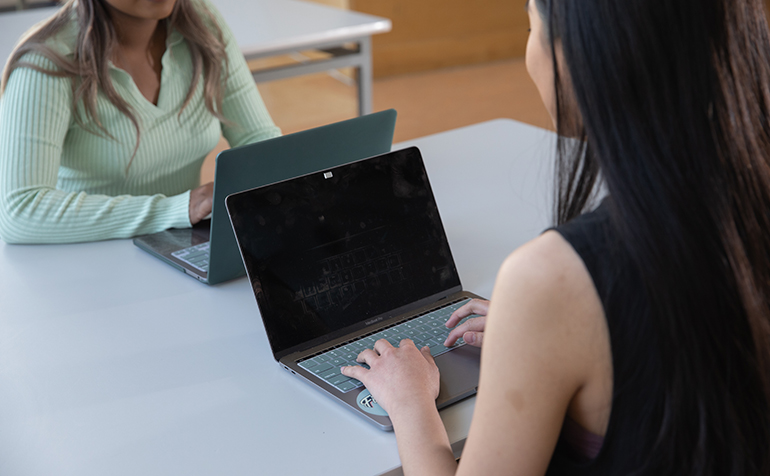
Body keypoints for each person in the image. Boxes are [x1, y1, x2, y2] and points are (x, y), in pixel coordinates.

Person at [340, 0, 770, 474]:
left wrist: (408, 401)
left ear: (585, 56)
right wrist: (532, 332)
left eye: (532, 26)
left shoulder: (555, 279)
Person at [0, 0, 280, 244]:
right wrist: (176, 209)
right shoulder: (48, 61)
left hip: (183, 247)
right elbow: (21, 210)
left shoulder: (201, 22)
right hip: (85, 261)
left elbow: (259, 140)